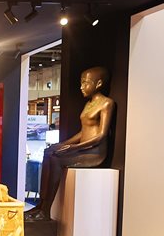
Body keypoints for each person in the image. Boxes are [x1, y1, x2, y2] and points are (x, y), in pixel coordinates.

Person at [26, 67, 115, 221]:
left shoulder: (106, 103)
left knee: (56, 159)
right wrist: (63, 144)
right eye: (81, 83)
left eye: (86, 83)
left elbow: (101, 135)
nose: (81, 87)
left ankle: (46, 210)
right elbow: (82, 132)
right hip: (82, 149)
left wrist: (74, 147)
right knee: (49, 152)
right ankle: (41, 205)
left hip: (94, 152)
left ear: (99, 83)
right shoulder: (88, 104)